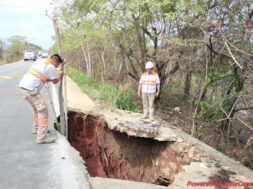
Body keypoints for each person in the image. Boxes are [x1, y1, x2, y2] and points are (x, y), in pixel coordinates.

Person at [19, 54, 64, 144]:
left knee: (37, 110)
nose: (56, 67)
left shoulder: (42, 62)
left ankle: (37, 129)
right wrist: (60, 74)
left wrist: (53, 77)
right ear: (56, 62)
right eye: (57, 65)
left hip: (23, 87)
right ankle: (41, 137)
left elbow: (43, 78)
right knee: (43, 110)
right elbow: (55, 81)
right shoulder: (50, 66)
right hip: (30, 90)